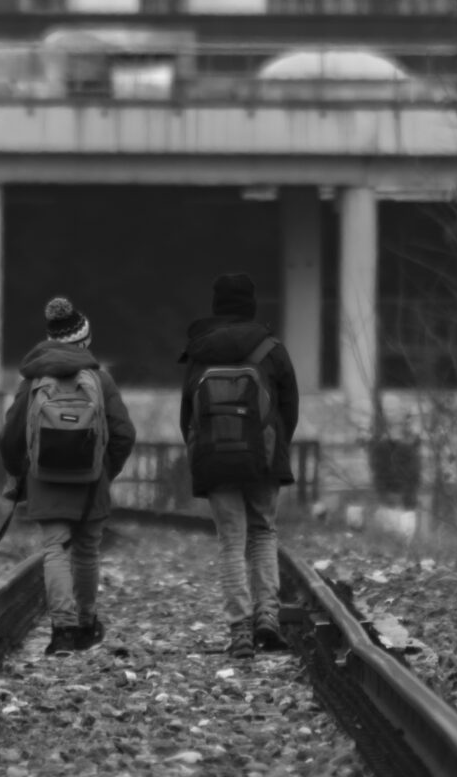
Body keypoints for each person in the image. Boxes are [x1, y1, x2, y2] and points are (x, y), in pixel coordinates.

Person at [0, 295, 135, 655]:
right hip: (91, 481)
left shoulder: (33, 379)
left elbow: (10, 436)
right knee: (87, 552)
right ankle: (86, 624)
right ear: (84, 340)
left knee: (55, 550)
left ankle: (62, 631)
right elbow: (124, 434)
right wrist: (105, 470)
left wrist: (18, 474)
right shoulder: (100, 379)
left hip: (45, 480)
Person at [179, 271, 301, 660]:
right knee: (262, 533)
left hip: (216, 460)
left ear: (217, 306)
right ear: (251, 306)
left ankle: (240, 630)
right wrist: (274, 447)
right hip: (263, 458)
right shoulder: (271, 349)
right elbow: (289, 409)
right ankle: (267, 617)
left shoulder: (199, 351)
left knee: (231, 541)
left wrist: (205, 454)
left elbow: (187, 416)